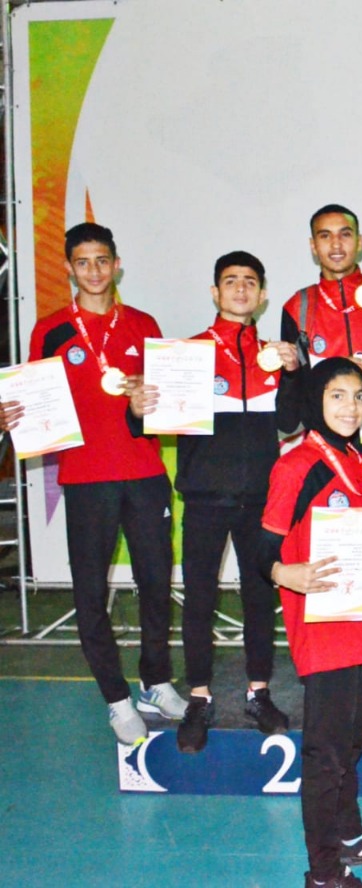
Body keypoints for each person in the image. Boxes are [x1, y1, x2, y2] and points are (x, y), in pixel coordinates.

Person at [0, 223, 184, 745]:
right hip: (85, 479)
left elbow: (165, 408)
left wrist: (147, 403)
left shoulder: (144, 324)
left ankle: (155, 681)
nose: (94, 271)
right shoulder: (51, 330)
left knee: (156, 584)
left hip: (145, 474)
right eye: (83, 262)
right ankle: (116, 698)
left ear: (117, 264)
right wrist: (12, 415)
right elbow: (34, 401)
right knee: (90, 592)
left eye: (102, 260)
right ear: (68, 268)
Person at [129, 251, 300, 752]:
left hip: (260, 500)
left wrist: (294, 372)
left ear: (262, 295)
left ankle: (258, 692)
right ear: (214, 292)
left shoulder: (275, 356)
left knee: (258, 599)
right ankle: (199, 698)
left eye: (250, 281)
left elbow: (290, 422)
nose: (240, 289)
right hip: (204, 499)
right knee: (199, 600)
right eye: (230, 281)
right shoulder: (186, 354)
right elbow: (145, 424)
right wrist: (137, 408)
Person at [260, 357, 362, 888]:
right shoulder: (297, 466)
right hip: (324, 628)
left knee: (350, 744)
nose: (352, 407)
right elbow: (261, 548)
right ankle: (324, 871)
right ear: (315, 401)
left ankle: (348, 834)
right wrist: (285, 573)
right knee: (326, 753)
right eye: (338, 396)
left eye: (359, 396)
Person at [282, 204, 362, 365]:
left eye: (345, 234)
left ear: (359, 242)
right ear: (313, 246)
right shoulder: (297, 307)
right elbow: (294, 376)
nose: (336, 244)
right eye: (325, 236)